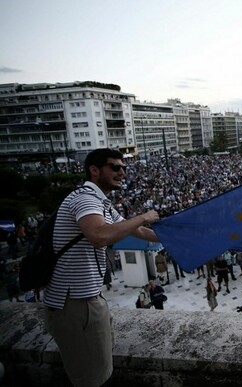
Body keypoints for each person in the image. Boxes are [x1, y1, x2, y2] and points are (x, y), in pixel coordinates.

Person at [43, 148, 160, 387]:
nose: (122, 172)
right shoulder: (84, 198)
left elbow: (138, 232)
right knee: (91, 378)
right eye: (115, 167)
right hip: (74, 303)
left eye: (124, 167)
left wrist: (181, 236)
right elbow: (99, 235)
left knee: (99, 369)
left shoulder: (100, 202)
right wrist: (143, 216)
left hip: (86, 299)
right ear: (94, 171)